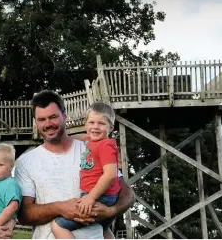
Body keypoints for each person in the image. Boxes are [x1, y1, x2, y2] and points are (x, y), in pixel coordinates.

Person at [14, 90, 135, 239]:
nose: (48, 124)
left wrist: (111, 211)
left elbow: (127, 193)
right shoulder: (25, 162)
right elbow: (24, 215)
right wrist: (60, 208)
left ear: (65, 116)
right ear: (35, 122)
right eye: (41, 119)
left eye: (53, 117)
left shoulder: (91, 147)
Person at [51, 102, 120, 239]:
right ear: (85, 124)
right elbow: (83, 137)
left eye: (101, 123)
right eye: (91, 123)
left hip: (101, 196)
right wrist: (63, 139)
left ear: (111, 127)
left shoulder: (105, 145)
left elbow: (111, 174)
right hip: (106, 196)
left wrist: (90, 198)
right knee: (103, 228)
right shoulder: (93, 140)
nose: (95, 127)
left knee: (57, 226)